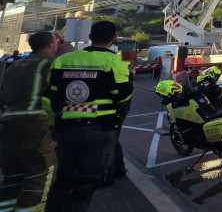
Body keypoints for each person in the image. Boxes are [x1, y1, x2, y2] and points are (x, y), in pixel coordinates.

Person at [45, 21, 133, 212]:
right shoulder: (116, 61)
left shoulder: (63, 60)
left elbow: (50, 96)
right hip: (100, 128)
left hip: (66, 127)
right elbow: (124, 94)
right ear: (114, 38)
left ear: (90, 37)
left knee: (63, 178)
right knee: (86, 181)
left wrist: (54, 122)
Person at [0, 31, 59, 212]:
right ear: (50, 45)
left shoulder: (15, 65)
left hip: (8, 120)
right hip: (34, 122)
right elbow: (55, 93)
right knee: (39, 172)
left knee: (12, 175)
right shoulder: (49, 63)